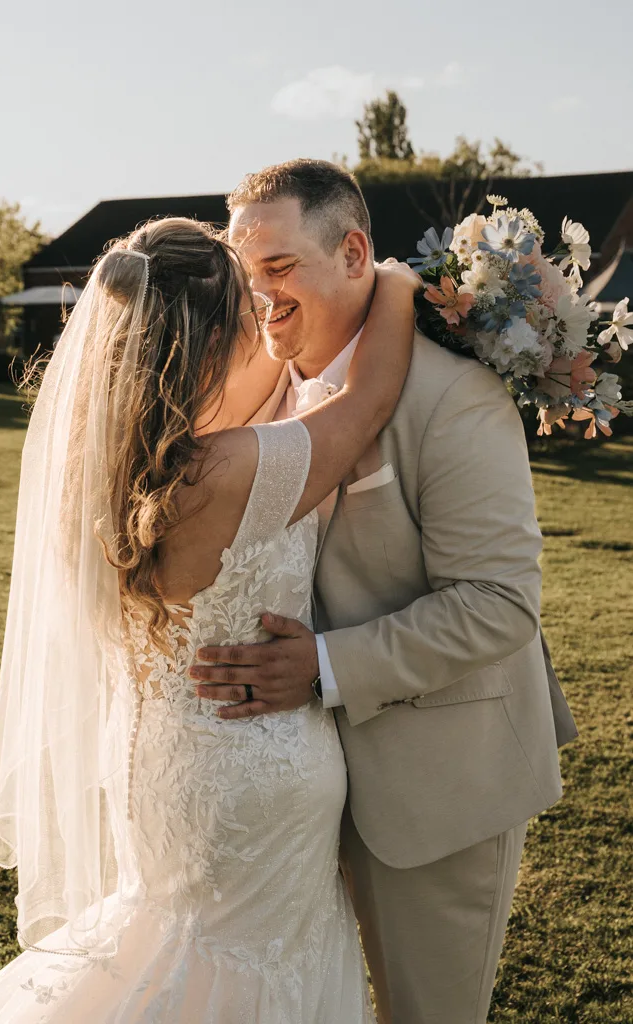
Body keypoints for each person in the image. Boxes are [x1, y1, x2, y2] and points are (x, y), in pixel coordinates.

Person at [0, 215, 419, 1023]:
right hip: (247, 780)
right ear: (212, 333)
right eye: (246, 301)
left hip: (154, 766)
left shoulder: (97, 476)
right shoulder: (232, 470)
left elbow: (257, 402)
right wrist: (401, 283)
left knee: (169, 948)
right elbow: (368, 400)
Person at [192, 159, 579, 1024]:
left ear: (355, 252)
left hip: (434, 789)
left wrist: (322, 665)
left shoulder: (456, 401)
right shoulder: (262, 390)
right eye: (245, 272)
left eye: (280, 268)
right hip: (287, 797)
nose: (259, 295)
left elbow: (497, 602)